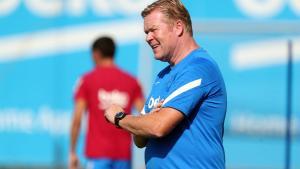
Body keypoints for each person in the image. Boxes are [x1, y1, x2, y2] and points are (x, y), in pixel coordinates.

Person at [104, 0, 227, 169]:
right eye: (146, 32)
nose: (148, 38)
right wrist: (147, 120)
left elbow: (157, 127)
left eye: (153, 30)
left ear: (178, 27)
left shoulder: (199, 67)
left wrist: (120, 118)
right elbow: (140, 139)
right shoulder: (163, 75)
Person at [69, 36, 144, 169]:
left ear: (96, 54)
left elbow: (77, 119)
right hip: (124, 155)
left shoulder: (87, 80)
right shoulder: (132, 81)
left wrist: (72, 152)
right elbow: (145, 115)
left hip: (97, 154)